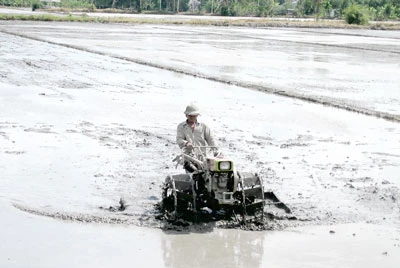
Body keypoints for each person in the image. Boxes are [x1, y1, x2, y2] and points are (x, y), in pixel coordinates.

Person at [176, 103, 220, 172]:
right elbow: (179, 139)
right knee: (192, 176)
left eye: (194, 116)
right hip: (189, 157)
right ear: (186, 115)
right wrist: (186, 143)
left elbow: (210, 138)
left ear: (197, 115)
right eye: (190, 116)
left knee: (206, 175)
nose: (192, 117)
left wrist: (216, 150)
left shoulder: (203, 126)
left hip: (202, 156)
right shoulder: (181, 127)